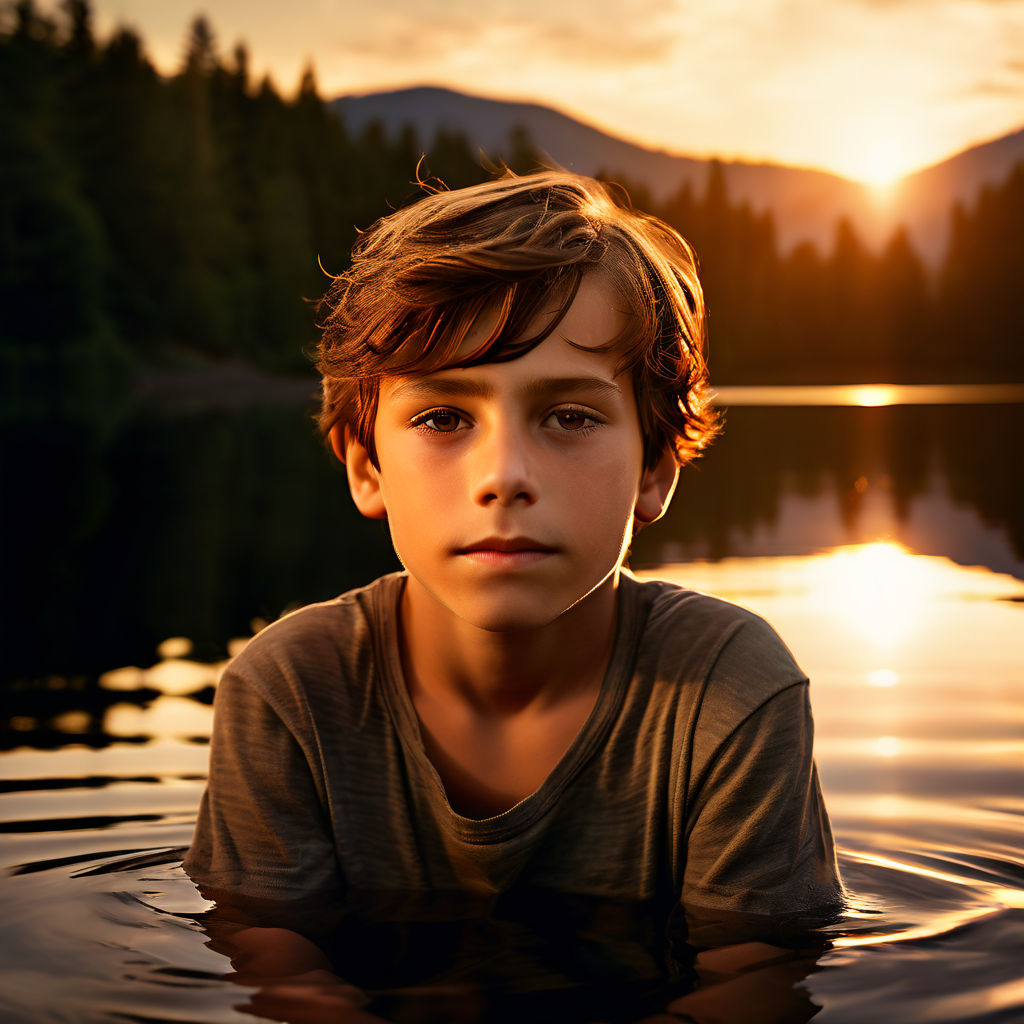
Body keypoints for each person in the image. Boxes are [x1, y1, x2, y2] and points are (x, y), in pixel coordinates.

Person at [184, 169, 843, 1019]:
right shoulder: (291, 691)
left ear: (654, 470)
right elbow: (274, 960)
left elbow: (754, 979)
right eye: (443, 419)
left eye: (569, 416)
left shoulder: (729, 688)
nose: (504, 477)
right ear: (364, 465)